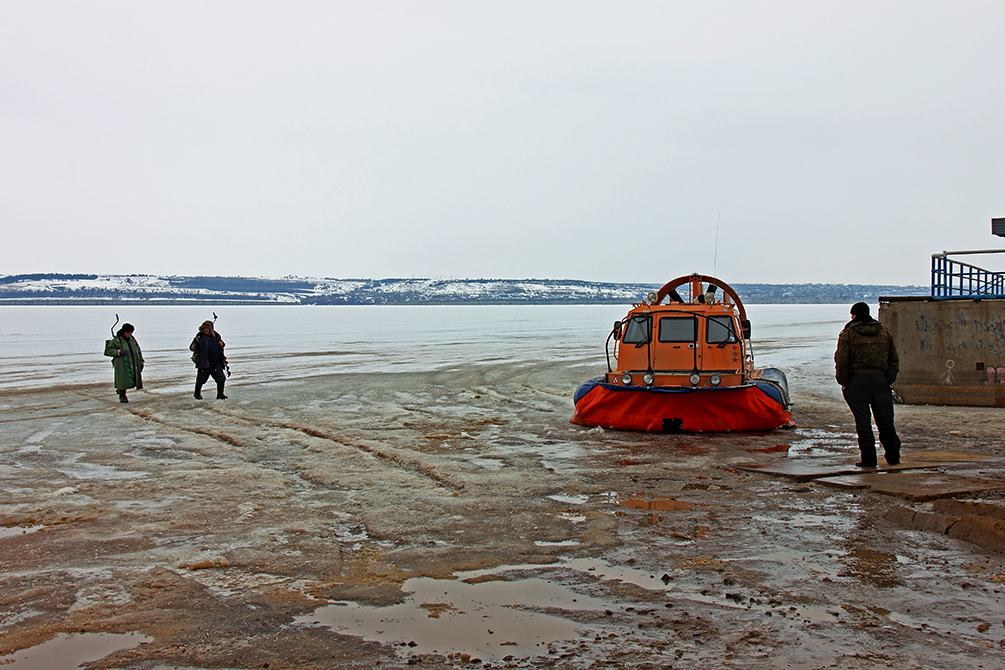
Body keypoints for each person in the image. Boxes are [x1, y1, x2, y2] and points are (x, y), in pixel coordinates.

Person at [834, 302, 901, 467]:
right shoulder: (885, 333)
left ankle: (869, 459)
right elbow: (894, 361)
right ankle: (893, 457)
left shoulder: (848, 334)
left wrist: (844, 382)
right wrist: (887, 380)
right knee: (886, 422)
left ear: (854, 315)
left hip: (856, 382)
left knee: (863, 422)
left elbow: (842, 361)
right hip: (880, 381)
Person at [104, 323, 144, 403]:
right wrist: (119, 352)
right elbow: (108, 351)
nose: (130, 334)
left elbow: (138, 349)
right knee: (122, 380)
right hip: (122, 364)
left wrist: (141, 360)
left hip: (133, 362)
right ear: (124, 331)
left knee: (133, 377)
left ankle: (121, 391)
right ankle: (122, 395)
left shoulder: (132, 339)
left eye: (131, 333)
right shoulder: (116, 340)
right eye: (128, 332)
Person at [190, 320, 228, 400]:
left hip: (216, 363)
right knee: (201, 380)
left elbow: (222, 344)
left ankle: (220, 395)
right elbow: (194, 345)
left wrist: (222, 344)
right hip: (204, 363)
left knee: (221, 379)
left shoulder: (216, 337)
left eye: (207, 328)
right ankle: (197, 394)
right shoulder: (199, 337)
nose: (205, 330)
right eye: (204, 328)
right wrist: (193, 346)